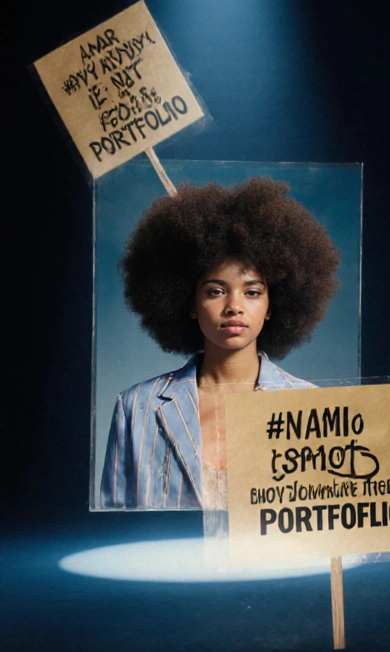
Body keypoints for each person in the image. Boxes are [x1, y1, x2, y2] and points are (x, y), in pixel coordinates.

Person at [100, 177, 340, 509]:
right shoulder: (136, 407)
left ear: (272, 306)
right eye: (215, 291)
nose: (234, 306)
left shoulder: (313, 407)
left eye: (252, 292)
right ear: (189, 303)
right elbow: (112, 528)